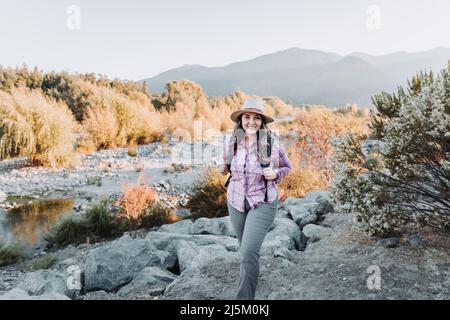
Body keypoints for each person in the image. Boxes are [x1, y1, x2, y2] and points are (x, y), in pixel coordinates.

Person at [222, 97, 292, 300]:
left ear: (262, 121)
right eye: (247, 117)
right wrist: (223, 167)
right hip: (235, 200)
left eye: (256, 117)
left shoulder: (270, 143)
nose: (251, 121)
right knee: (246, 250)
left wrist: (275, 173)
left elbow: (287, 166)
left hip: (262, 202)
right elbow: (225, 165)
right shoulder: (231, 140)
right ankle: (251, 277)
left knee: (248, 252)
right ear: (241, 119)